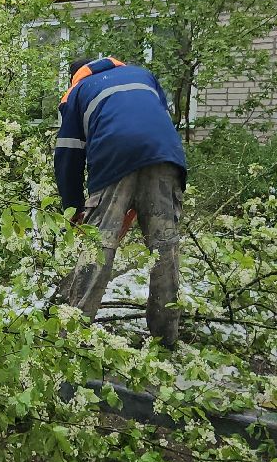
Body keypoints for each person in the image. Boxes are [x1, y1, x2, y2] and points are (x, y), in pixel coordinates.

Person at [53, 56, 189, 346]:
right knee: (164, 248)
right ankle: (166, 338)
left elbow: (68, 154)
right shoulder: (143, 75)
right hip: (166, 156)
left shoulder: (77, 91)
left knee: (98, 245)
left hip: (114, 157)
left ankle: (73, 336)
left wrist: (73, 208)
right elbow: (154, 124)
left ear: (74, 76)